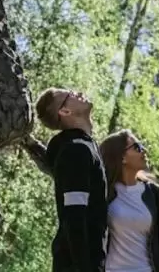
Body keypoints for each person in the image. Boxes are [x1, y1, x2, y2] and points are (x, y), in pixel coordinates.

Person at [37, 87, 107, 272]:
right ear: (64, 111)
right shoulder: (76, 150)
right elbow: (74, 215)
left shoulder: (85, 147)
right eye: (70, 95)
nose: (78, 93)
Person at [98, 129, 159, 272]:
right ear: (122, 157)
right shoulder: (103, 193)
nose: (144, 150)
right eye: (137, 147)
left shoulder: (153, 193)